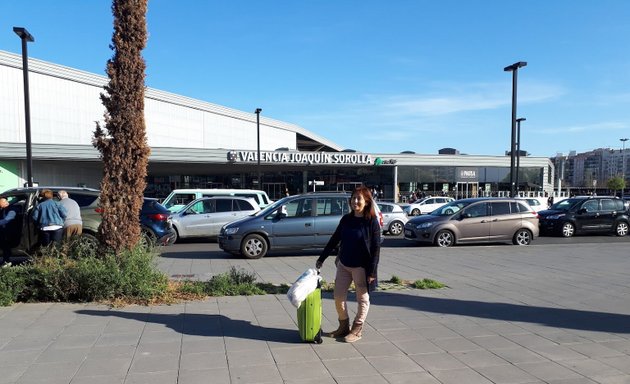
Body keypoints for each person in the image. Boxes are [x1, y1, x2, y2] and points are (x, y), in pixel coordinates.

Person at [315, 186, 381, 343]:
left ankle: (357, 329)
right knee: (338, 296)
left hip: (361, 267)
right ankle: (343, 326)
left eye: (359, 198)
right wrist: (321, 258)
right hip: (344, 264)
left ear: (366, 202)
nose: (355, 201)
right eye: (353, 198)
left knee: (362, 299)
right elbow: (334, 239)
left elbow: (376, 249)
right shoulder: (346, 220)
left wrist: (371, 272)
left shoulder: (371, 223)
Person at [0, 198, 16, 265]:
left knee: (6, 246)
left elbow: (6, 220)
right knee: (4, 246)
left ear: (4, 203)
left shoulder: (11, 210)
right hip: (5, 231)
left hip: (11, 232)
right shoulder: (4, 209)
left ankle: (7, 261)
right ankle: (6, 260)